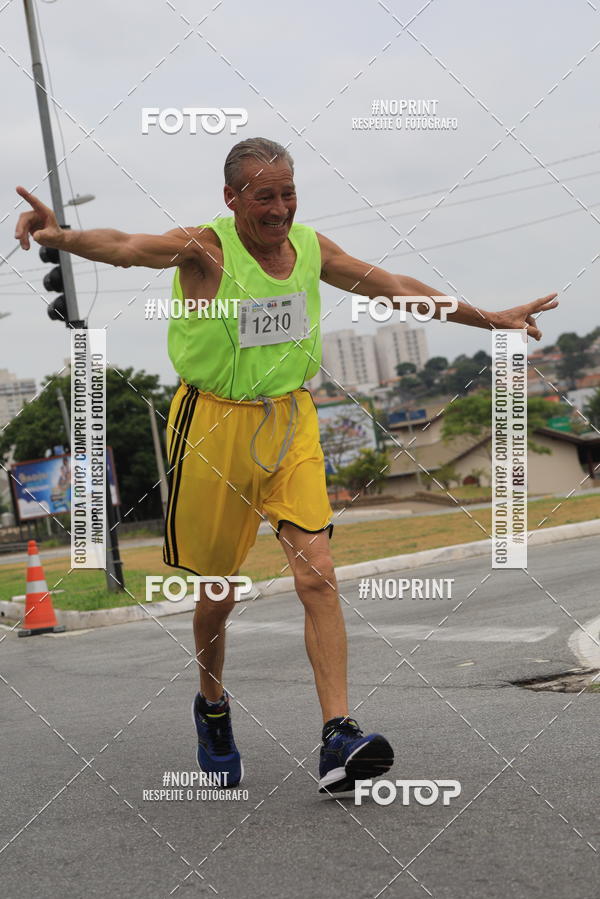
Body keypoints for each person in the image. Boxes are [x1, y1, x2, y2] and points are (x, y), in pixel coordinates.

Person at [15, 137, 558, 795]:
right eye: (264, 196)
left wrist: (491, 320)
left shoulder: (312, 251)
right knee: (219, 593)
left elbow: (396, 288)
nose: (278, 210)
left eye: (288, 193)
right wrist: (59, 235)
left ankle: (338, 734)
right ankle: (212, 703)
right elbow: (127, 247)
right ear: (233, 198)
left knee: (318, 573)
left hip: (291, 421)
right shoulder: (205, 248)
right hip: (211, 428)